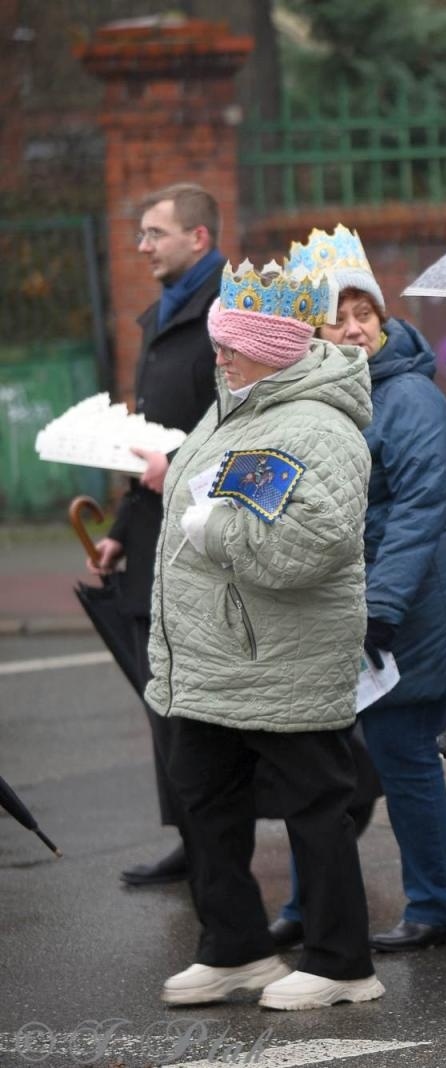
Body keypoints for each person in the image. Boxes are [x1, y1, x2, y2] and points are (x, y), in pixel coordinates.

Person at [149, 258, 384, 1009]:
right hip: (213, 657)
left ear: (275, 348)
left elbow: (311, 543)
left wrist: (211, 529)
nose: (217, 356)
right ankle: (236, 948)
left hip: (283, 657)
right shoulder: (236, 406)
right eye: (218, 342)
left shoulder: (318, 425)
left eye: (231, 344)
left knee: (316, 812)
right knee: (203, 803)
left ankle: (343, 964)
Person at [262, 226, 446, 952]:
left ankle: (436, 906)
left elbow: (416, 511)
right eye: (338, 316)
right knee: (322, 763)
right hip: (343, 606)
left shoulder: (408, 395)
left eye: (365, 314)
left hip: (409, 609)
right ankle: (305, 901)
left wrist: (380, 609)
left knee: (402, 753)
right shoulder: (318, 397)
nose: (355, 330)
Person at [92, 183, 225, 888]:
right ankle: (191, 841)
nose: (141, 247)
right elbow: (151, 437)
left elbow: (236, 429)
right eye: (140, 234)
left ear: (197, 238)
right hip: (150, 540)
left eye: (154, 234)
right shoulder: (162, 319)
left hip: (202, 545)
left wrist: (175, 469)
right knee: (159, 704)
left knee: (194, 711)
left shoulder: (223, 316)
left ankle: (217, 851)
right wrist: (119, 528)